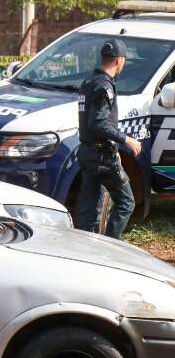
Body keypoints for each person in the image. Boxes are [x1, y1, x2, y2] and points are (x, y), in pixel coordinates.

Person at [76, 40, 142, 239]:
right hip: (101, 156)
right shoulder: (104, 86)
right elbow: (98, 123)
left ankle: (84, 250)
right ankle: (111, 248)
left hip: (88, 152)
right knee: (126, 202)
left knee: (89, 210)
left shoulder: (88, 83)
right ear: (119, 60)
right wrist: (126, 140)